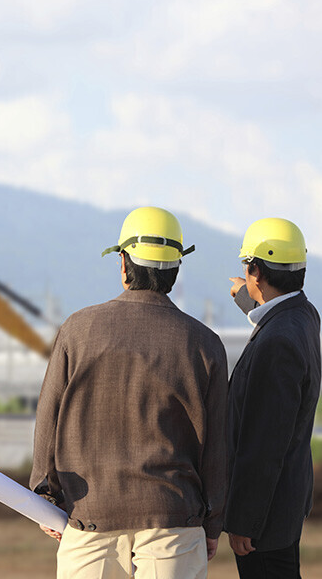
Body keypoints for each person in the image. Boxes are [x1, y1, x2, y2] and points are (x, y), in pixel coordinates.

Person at [30, 206, 228, 579]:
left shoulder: (77, 330)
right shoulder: (205, 344)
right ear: (176, 268)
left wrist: (46, 496)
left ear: (123, 263)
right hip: (174, 522)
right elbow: (217, 445)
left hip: (89, 521)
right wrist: (213, 521)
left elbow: (48, 419)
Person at [225, 218, 321, 578]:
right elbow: (273, 311)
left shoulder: (276, 343)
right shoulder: (304, 315)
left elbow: (264, 442)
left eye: (247, 268)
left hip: (264, 518)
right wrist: (243, 294)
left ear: (256, 271)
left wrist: (245, 519)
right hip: (286, 500)